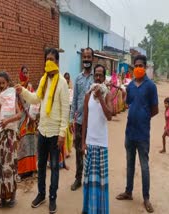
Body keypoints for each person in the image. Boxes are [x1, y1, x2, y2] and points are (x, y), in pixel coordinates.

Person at [15, 48, 69, 214]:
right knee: (41, 165)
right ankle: (41, 194)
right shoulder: (44, 79)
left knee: (53, 166)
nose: (49, 62)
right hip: (42, 131)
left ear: (57, 62)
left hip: (55, 134)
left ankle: (52, 198)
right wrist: (22, 91)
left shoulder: (62, 82)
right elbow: (36, 98)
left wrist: (62, 133)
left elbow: (66, 110)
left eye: (52, 59)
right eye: (47, 59)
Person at [116, 55, 159, 213]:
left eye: (141, 65)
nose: (138, 68)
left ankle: (146, 197)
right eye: (136, 66)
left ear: (146, 67)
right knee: (129, 164)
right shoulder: (131, 86)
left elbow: (155, 110)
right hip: (130, 132)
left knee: (144, 166)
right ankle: (128, 191)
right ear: (133, 68)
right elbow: (129, 104)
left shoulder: (151, 86)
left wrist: (143, 116)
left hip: (142, 134)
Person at [82, 64, 113, 214]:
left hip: (101, 143)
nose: (98, 77)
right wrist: (83, 142)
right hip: (89, 142)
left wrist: (100, 97)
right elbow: (85, 120)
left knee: (100, 181)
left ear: (104, 77)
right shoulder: (88, 95)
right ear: (94, 76)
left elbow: (110, 116)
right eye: (96, 75)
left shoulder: (107, 94)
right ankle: (89, 209)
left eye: (101, 75)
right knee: (88, 179)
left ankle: (100, 210)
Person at [0, 71, 22, 208]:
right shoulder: (2, 97)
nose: (2, 86)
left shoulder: (13, 96)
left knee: (10, 165)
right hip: (1, 134)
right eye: (0, 84)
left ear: (8, 83)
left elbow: (19, 114)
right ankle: (3, 197)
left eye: (4, 83)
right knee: (0, 165)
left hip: (10, 135)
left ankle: (12, 196)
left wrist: (7, 121)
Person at [70, 47, 94, 191]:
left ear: (92, 58)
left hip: (92, 122)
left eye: (88, 57)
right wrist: (71, 119)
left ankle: (89, 179)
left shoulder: (96, 77)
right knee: (79, 151)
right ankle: (78, 178)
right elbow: (75, 99)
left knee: (91, 151)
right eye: (84, 57)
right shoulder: (78, 78)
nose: (86, 59)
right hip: (79, 122)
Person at [17, 66, 38, 180]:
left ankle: (31, 168)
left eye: (27, 72)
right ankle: (22, 170)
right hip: (22, 118)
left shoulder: (30, 87)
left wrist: (33, 116)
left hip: (31, 119)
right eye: (23, 72)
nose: (25, 74)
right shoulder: (18, 87)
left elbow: (34, 101)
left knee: (31, 141)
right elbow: (19, 104)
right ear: (20, 73)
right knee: (22, 143)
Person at [63, 72, 73, 158]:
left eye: (68, 78)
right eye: (65, 78)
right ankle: (65, 152)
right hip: (63, 113)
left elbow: (72, 102)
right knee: (64, 132)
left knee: (69, 132)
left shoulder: (70, 90)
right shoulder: (62, 89)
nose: (67, 80)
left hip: (69, 112)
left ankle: (68, 150)